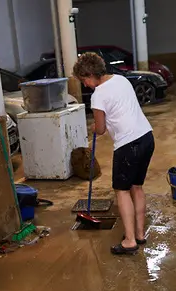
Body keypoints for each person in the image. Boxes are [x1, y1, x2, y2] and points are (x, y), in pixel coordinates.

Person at [73, 53, 155, 255]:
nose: (86, 85)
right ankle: (139, 234)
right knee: (137, 186)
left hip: (128, 145)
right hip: (146, 137)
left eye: (84, 80)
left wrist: (95, 127)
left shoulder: (98, 95)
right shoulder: (121, 79)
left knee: (122, 191)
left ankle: (129, 241)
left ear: (90, 74)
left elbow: (100, 129)